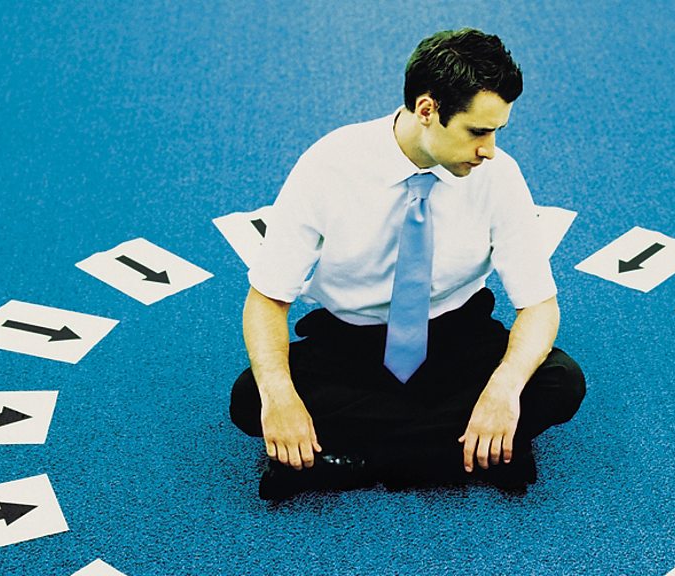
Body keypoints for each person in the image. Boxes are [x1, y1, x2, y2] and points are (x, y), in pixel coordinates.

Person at [229, 28, 585, 500]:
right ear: (427, 110)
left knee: (560, 381)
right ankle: (460, 455)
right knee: (251, 397)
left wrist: (502, 390)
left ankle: (350, 461)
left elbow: (538, 306)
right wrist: (279, 397)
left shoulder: (499, 176)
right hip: (350, 346)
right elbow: (267, 299)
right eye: (477, 131)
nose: (489, 150)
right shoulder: (327, 165)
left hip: (457, 340)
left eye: (497, 131)